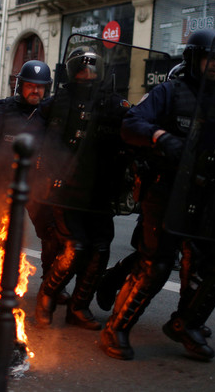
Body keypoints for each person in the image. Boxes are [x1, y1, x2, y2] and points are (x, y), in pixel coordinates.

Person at [100, 29, 215, 361]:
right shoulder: (169, 91)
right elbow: (131, 124)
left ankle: (186, 323)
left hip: (208, 194)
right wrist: (158, 136)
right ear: (195, 58)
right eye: (211, 57)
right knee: (156, 263)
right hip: (167, 188)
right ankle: (116, 327)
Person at [33, 46, 129, 331]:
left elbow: (134, 124)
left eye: (92, 68)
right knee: (75, 248)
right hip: (66, 189)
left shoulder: (111, 103)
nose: (87, 74)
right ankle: (46, 296)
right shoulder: (57, 102)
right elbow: (35, 130)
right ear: (73, 72)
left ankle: (79, 306)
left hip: (99, 190)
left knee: (100, 249)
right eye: (81, 69)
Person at [0, 60, 66, 302]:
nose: (35, 91)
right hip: (2, 184)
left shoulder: (51, 114)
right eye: (30, 86)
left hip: (37, 185)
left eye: (40, 87)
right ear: (20, 86)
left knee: (52, 234)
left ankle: (51, 284)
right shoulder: (1, 111)